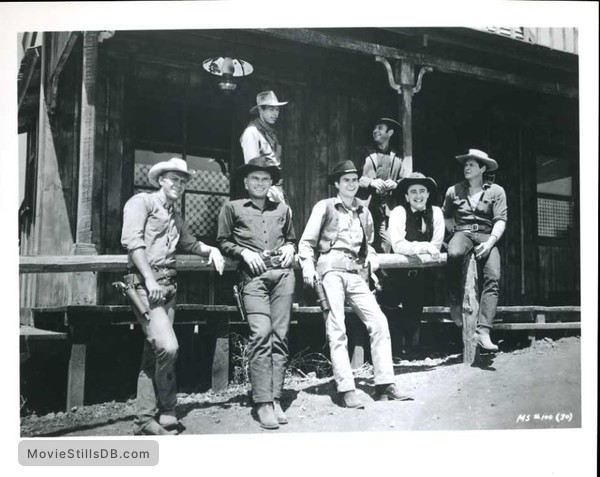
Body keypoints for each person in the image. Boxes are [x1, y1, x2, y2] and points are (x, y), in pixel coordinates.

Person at [121, 157, 225, 436]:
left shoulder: (175, 215)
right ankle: (167, 408)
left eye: (182, 180)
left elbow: (190, 243)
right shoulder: (141, 203)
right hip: (146, 287)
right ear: (160, 180)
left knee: (153, 353)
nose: (178, 184)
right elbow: (134, 243)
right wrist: (150, 279)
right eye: (173, 179)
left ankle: (147, 418)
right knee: (168, 347)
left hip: (168, 288)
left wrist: (211, 251)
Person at [299, 160, 412, 409]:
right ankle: (346, 388)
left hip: (355, 273)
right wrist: (308, 267)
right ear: (337, 184)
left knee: (379, 322)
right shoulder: (325, 207)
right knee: (337, 327)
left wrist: (371, 263)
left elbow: (368, 246)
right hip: (330, 271)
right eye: (345, 180)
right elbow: (306, 243)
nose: (350, 184)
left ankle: (384, 384)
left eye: (354, 180)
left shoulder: (363, 211)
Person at [217, 157, 296, 430]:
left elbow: (291, 238)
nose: (260, 183)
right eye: (255, 179)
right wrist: (244, 252)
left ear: (271, 183)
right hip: (253, 279)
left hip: (283, 276)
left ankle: (275, 398)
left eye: (265, 179)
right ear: (245, 182)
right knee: (260, 333)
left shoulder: (283, 209)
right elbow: (223, 240)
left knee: (280, 335)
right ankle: (262, 402)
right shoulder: (232, 207)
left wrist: (290, 248)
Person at [442, 149, 507, 351]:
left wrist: (489, 243)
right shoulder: (454, 190)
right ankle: (454, 301)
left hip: (487, 235)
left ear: (482, 168)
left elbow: (501, 220)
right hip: (462, 232)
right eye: (465, 164)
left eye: (472, 164)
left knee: (493, 276)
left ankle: (484, 331)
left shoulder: (496, 191)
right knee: (453, 253)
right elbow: (446, 215)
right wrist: (454, 232)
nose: (467, 167)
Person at [381, 172, 445, 352]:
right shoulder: (398, 212)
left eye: (422, 191)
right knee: (390, 310)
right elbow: (399, 245)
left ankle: (411, 351)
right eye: (414, 191)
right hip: (396, 274)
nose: (418, 196)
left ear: (428, 194)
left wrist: (424, 248)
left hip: (421, 274)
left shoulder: (437, 213)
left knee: (414, 313)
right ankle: (392, 353)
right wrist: (424, 246)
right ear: (406, 196)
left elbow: (437, 245)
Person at [358, 118, 412, 252]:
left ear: (391, 132)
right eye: (374, 129)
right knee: (364, 244)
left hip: (387, 210)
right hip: (366, 208)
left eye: (380, 128)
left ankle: (383, 273)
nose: (375, 131)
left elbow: (406, 182)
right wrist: (371, 182)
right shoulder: (364, 154)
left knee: (386, 244)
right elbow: (353, 178)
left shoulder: (398, 158)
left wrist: (396, 184)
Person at [239, 90, 289, 204]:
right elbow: (253, 169)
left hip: (276, 189)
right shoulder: (252, 132)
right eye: (271, 109)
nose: (275, 114)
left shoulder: (272, 133)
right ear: (261, 110)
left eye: (277, 110)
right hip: (263, 190)